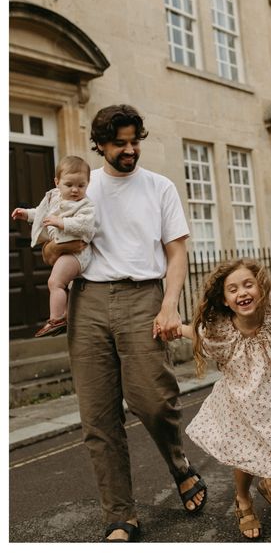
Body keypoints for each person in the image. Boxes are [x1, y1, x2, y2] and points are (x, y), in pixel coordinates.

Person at [42, 104, 207, 542]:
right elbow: (49, 245)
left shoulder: (159, 187)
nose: (130, 149)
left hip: (143, 297)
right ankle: (120, 513)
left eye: (135, 141)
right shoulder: (80, 185)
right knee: (98, 416)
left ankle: (179, 463)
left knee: (153, 400)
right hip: (88, 300)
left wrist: (170, 304)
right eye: (120, 143)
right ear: (100, 145)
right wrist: (55, 249)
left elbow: (176, 253)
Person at [178, 257, 271, 539]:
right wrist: (173, 329)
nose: (242, 293)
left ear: (261, 288)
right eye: (233, 289)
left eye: (248, 285)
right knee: (247, 450)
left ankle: (270, 486)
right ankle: (243, 499)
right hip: (244, 400)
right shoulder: (222, 331)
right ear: (224, 300)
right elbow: (196, 333)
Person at [11, 155, 95, 338]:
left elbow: (86, 225)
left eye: (81, 185)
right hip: (62, 249)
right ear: (57, 182)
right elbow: (42, 214)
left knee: (55, 282)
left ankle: (56, 319)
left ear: (88, 183)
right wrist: (26, 214)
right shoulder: (53, 197)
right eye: (69, 184)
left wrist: (62, 222)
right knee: (63, 284)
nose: (75, 190)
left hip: (77, 253)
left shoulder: (86, 205)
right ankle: (65, 315)